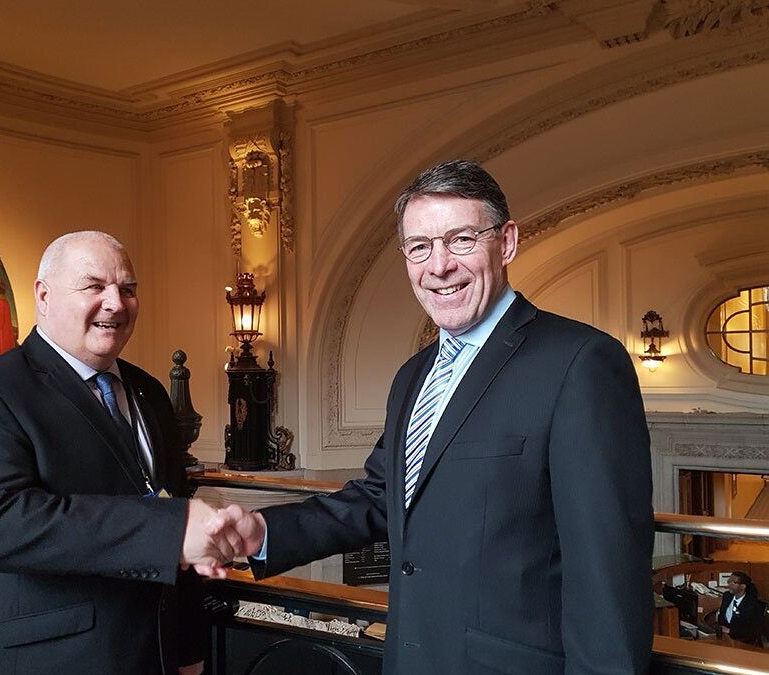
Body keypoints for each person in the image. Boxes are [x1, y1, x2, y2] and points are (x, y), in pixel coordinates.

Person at [215, 160, 655, 674]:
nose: (439, 266)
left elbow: (607, 574)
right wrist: (262, 533)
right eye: (419, 247)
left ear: (507, 242)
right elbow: (382, 496)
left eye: (461, 240)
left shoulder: (581, 363)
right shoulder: (413, 375)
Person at [0, 231, 243, 675]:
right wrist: (169, 529)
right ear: (43, 295)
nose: (116, 303)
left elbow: (172, 506)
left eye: (128, 289)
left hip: (150, 659)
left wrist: (188, 650)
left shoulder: (150, 392)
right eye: (94, 286)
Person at [717, 571, 765, 645]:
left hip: (743, 641)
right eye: (729, 581)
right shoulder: (727, 596)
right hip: (725, 637)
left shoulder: (753, 605)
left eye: (734, 583)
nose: (729, 585)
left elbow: (753, 631)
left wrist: (730, 631)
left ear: (743, 586)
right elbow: (722, 616)